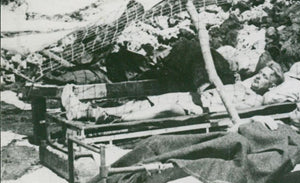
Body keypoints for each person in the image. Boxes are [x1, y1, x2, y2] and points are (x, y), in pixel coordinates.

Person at [61, 61, 286, 122]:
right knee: (147, 101)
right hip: (192, 99)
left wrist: (205, 103)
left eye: (266, 77)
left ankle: (102, 116)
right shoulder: (244, 84)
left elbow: (226, 109)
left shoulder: (255, 100)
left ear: (272, 85)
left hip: (200, 110)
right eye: (262, 73)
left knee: (164, 107)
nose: (260, 77)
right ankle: (84, 112)